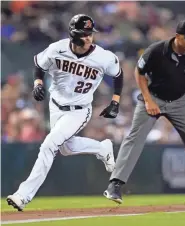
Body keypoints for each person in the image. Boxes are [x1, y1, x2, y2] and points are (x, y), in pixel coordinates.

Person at [7, 14, 124, 211]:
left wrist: (115, 102)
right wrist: (37, 83)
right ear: (73, 34)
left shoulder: (103, 57)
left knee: (49, 145)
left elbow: (118, 75)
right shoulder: (57, 49)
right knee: (65, 148)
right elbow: (39, 65)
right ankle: (102, 148)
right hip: (55, 105)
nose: (88, 38)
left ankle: (23, 196)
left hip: (79, 111)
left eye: (90, 34)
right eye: (84, 34)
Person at [103, 20, 185, 208]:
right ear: (178, 37)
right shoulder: (156, 51)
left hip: (180, 102)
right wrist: (148, 100)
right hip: (154, 98)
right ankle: (115, 185)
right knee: (134, 138)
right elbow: (139, 73)